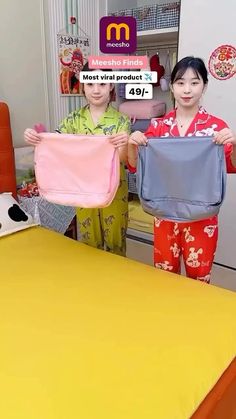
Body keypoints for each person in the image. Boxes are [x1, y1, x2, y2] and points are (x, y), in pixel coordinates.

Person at [128, 56, 236, 283]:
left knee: (199, 279)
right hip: (164, 215)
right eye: (180, 82)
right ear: (173, 87)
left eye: (194, 82)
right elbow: (135, 165)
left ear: (204, 86)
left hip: (202, 217)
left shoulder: (216, 127)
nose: (187, 89)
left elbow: (231, 165)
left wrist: (234, 145)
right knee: (165, 278)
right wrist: (133, 143)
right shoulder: (158, 126)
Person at [24, 62, 130, 256]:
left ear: (111, 86)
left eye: (102, 84)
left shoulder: (121, 121)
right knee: (89, 244)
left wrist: (124, 143)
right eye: (90, 84)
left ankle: (116, 285)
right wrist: (35, 138)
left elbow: (123, 158)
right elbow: (54, 145)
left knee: (116, 245)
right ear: (83, 86)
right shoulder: (73, 120)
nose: (96, 90)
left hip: (114, 191)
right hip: (83, 191)